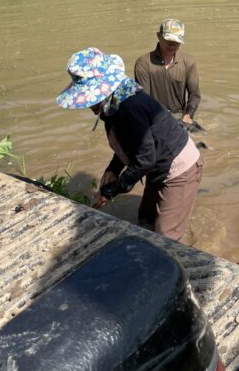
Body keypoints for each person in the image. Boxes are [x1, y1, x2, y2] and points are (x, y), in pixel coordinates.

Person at [57, 47, 202, 242]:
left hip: (179, 169)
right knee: (145, 220)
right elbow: (133, 144)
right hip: (157, 162)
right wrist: (113, 169)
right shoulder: (115, 102)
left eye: (89, 101)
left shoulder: (128, 108)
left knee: (165, 239)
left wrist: (111, 190)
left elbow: (145, 158)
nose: (89, 106)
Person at [133, 19, 201, 127]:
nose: (172, 44)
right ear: (158, 36)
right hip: (154, 118)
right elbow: (144, 100)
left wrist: (188, 115)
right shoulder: (143, 63)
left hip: (181, 118)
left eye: (176, 41)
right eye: (169, 40)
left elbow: (195, 96)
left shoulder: (188, 62)